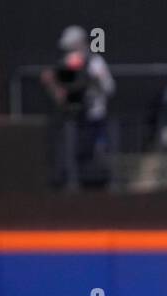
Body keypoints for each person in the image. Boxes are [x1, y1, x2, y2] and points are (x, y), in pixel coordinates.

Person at [40, 25, 115, 188]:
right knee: (69, 152)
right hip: (71, 117)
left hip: (94, 117)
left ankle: (96, 184)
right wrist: (53, 83)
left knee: (92, 153)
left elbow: (108, 88)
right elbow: (62, 96)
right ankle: (69, 182)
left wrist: (93, 81)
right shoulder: (68, 63)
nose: (70, 50)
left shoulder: (95, 62)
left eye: (73, 46)